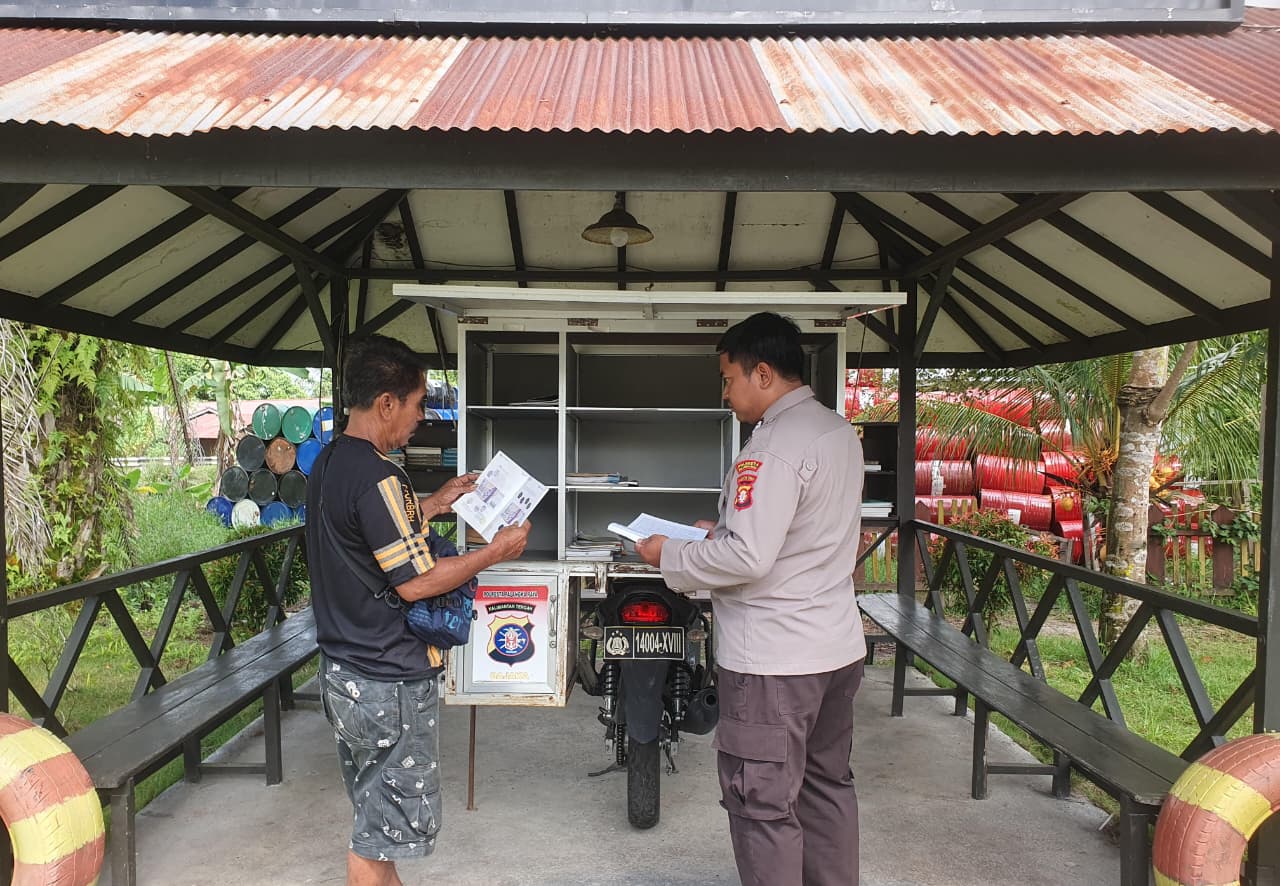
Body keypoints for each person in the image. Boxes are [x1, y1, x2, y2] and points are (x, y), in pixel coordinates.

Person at [636, 312, 867, 886]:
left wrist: (668, 554)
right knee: (826, 787)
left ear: (762, 373)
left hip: (774, 662)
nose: (726, 391)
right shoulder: (836, 431)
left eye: (728, 377)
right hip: (834, 649)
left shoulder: (770, 447)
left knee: (761, 804)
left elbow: (748, 559)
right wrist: (716, 535)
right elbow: (797, 537)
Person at [306, 333, 531, 886]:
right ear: (386, 403)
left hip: (346, 671)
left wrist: (435, 500)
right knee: (374, 836)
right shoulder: (380, 477)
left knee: (375, 821)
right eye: (418, 403)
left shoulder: (334, 461)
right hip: (386, 681)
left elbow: (372, 538)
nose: (421, 417)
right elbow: (415, 583)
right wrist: (494, 552)